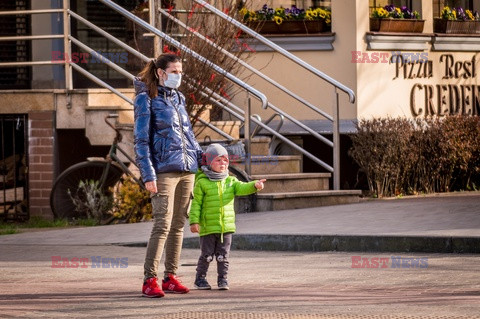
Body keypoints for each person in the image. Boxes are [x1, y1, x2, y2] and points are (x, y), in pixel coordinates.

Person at [133, 53, 203, 298]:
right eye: (174, 71)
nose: (179, 75)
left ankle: (170, 277)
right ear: (161, 72)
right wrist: (148, 175)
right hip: (163, 171)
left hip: (186, 170)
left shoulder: (178, 97)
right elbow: (141, 141)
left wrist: (200, 158)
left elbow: (188, 135)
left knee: (178, 226)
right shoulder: (146, 99)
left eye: (180, 71)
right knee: (162, 225)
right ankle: (149, 279)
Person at [189, 143, 266, 290]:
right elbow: (196, 204)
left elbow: (243, 188)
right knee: (207, 255)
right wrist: (194, 221)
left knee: (223, 256)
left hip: (226, 227)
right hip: (208, 227)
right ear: (210, 163)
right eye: (218, 160)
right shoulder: (202, 183)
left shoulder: (231, 181)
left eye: (225, 160)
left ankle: (222, 279)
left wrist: (254, 185)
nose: (222, 163)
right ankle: (200, 279)